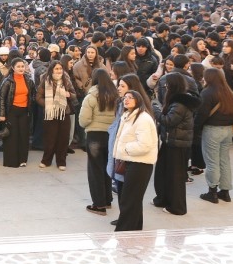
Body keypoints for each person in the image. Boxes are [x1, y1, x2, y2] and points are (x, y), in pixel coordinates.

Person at [151, 73, 199, 215]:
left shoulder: (179, 103)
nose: (164, 87)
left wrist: (156, 110)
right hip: (171, 142)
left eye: (167, 85)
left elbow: (169, 121)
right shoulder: (177, 101)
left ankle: (177, 207)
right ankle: (163, 199)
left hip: (177, 144)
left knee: (175, 177)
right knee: (162, 173)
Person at [112, 83, 158, 232]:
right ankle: (134, 229)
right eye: (125, 97)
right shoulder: (128, 115)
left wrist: (125, 149)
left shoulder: (143, 119)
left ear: (138, 100)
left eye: (130, 98)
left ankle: (124, 231)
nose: (126, 100)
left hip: (139, 164)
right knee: (132, 199)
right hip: (130, 162)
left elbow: (145, 144)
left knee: (129, 199)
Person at [194, 67, 233, 203]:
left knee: (212, 161)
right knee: (224, 160)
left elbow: (201, 114)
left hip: (212, 130)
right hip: (227, 129)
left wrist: (196, 129)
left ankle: (212, 192)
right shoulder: (229, 93)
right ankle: (225, 192)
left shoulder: (207, 93)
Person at [79, 68, 118, 215]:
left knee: (95, 170)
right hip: (111, 135)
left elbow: (84, 120)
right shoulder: (115, 96)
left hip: (94, 136)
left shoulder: (91, 97)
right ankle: (107, 200)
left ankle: (99, 204)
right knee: (107, 168)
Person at [36, 60, 77, 170]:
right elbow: (38, 97)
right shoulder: (45, 79)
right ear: (52, 70)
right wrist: (48, 105)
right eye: (56, 69)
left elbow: (74, 95)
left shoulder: (66, 79)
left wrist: (69, 94)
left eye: (60, 68)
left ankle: (61, 162)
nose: (59, 71)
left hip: (64, 112)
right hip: (50, 113)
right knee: (50, 138)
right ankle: (46, 160)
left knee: (63, 139)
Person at [0, 58, 35, 168]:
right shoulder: (8, 81)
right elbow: (1, 99)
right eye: (18, 67)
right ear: (13, 68)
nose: (21, 68)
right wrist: (2, 114)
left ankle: (23, 159)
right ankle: (11, 161)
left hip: (24, 112)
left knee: (23, 136)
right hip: (11, 111)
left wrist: (30, 105)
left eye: (22, 66)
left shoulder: (29, 80)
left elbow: (33, 94)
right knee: (11, 137)